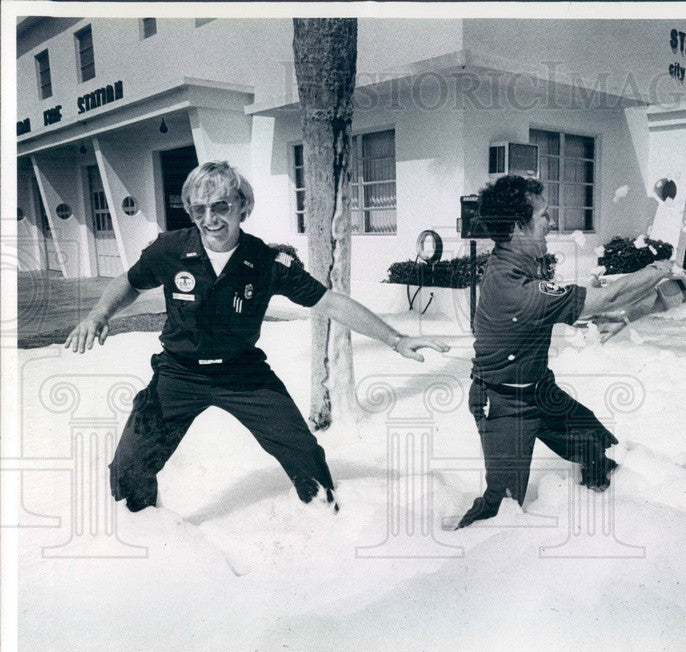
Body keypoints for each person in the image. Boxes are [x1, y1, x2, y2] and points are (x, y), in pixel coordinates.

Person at [65, 160, 448, 512]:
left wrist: (395, 339)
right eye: (199, 209)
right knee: (129, 465)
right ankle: (145, 532)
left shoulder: (266, 261)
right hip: (179, 374)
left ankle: (326, 518)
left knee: (303, 452)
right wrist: (99, 315)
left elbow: (329, 302)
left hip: (243, 375)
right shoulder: (170, 249)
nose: (210, 219)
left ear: (242, 206)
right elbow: (130, 282)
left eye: (220, 206)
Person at [452, 175, 686, 529]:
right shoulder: (510, 284)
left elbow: (538, 313)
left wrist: (571, 312)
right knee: (501, 508)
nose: (550, 222)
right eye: (543, 215)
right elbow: (606, 298)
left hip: (541, 391)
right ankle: (458, 561)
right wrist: (661, 268)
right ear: (519, 226)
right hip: (502, 401)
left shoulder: (520, 264)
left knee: (602, 453)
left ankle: (601, 531)